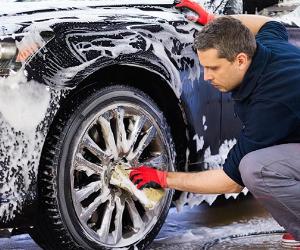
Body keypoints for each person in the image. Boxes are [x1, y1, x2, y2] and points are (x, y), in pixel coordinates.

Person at [129, 1, 300, 248]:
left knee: (255, 168)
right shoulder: (267, 46)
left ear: (241, 60)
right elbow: (269, 23)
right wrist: (214, 21)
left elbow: (230, 180)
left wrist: (163, 178)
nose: (207, 77)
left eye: (214, 68)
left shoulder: (270, 104)